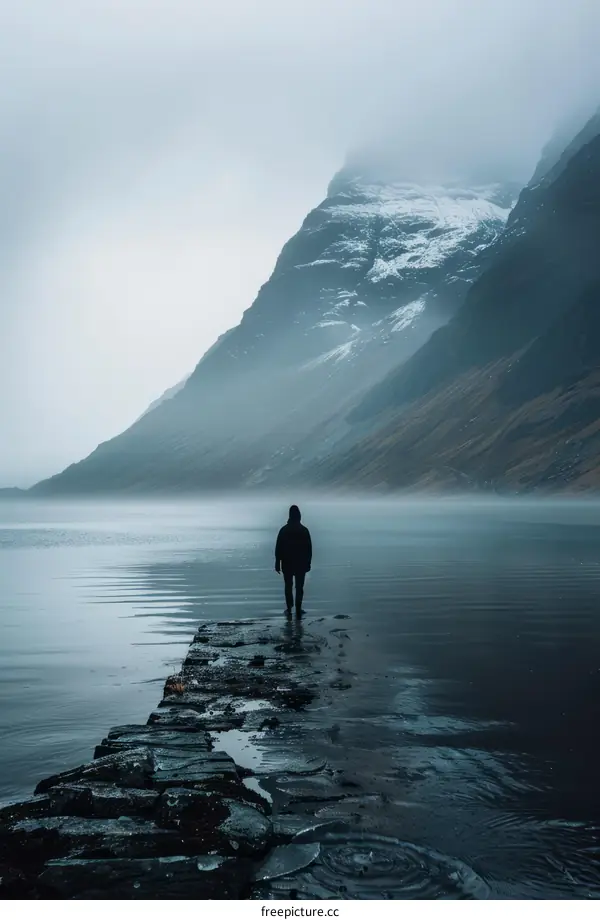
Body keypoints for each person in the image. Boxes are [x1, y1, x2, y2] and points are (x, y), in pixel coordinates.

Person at [275, 505, 312, 616]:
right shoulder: (304, 530)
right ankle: (298, 609)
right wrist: (308, 562)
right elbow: (309, 548)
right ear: (299, 516)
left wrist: (277, 562)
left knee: (288, 586)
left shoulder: (284, 530)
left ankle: (289, 609)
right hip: (300, 563)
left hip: (287, 563)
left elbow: (278, 548)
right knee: (299, 587)